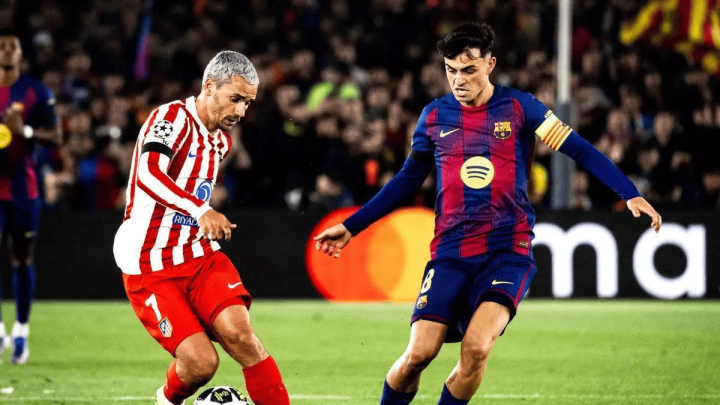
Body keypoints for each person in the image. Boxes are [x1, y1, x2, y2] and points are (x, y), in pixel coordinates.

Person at [314, 23, 662, 405]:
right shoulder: (434, 117)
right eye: (451, 70)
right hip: (450, 252)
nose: (458, 80)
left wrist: (630, 193)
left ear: (490, 65)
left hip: (507, 251)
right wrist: (352, 225)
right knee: (419, 355)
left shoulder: (521, 108)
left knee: (476, 348)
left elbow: (578, 148)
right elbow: (405, 182)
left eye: (468, 70)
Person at [113, 51, 290, 405]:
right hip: (149, 263)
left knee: (242, 337)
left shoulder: (221, 141)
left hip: (198, 255)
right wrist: (201, 209)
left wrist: (201, 213)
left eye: (247, 103)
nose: (241, 111)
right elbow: (149, 172)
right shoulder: (170, 118)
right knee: (201, 364)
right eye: (235, 99)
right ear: (209, 87)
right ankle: (166, 399)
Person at [0, 29, 61, 365]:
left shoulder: (36, 91)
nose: (7, 51)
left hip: (24, 188)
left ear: (21, 53)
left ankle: (21, 332)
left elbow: (56, 136)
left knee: (22, 258)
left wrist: (23, 130)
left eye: (13, 46)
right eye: (2, 46)